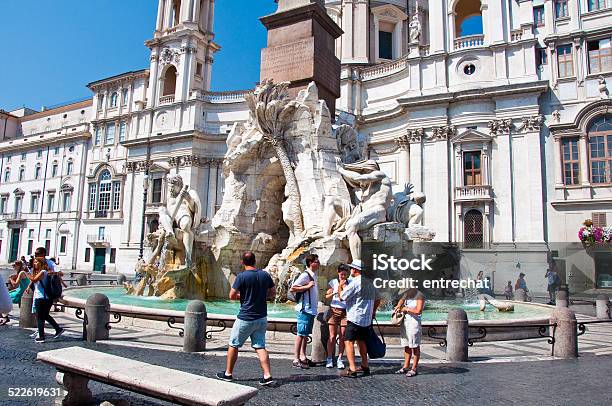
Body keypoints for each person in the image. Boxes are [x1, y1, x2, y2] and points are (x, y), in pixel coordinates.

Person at [217, 251, 276, 386]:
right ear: (255, 261)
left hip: (246, 317)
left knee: (233, 344)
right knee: (260, 346)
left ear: (242, 262)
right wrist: (261, 297)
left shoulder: (241, 277)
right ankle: (267, 375)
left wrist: (242, 297)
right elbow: (273, 293)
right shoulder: (265, 275)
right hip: (261, 317)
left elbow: (231, 296)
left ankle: (228, 373)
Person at [338, 260, 381, 378]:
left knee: (348, 341)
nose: (350, 270)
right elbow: (378, 299)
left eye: (352, 268)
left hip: (355, 318)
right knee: (361, 341)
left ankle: (352, 369)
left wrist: (341, 286)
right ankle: (365, 365)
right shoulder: (370, 283)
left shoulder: (355, 283)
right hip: (366, 319)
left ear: (355, 270)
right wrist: (373, 312)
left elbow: (342, 297)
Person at [289, 254, 319, 369]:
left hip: (310, 310)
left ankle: (303, 356)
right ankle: (296, 359)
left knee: (305, 334)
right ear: (310, 263)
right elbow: (293, 288)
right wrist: (307, 287)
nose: (318, 263)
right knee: (300, 334)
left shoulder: (313, 275)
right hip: (304, 309)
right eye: (316, 261)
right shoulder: (305, 275)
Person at [25, 258, 64, 343]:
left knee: (40, 317)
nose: (34, 264)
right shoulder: (43, 272)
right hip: (46, 297)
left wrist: (27, 273)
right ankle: (58, 329)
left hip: (42, 298)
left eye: (36, 262)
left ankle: (41, 336)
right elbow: (35, 281)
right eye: (34, 262)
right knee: (45, 315)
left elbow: (34, 279)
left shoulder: (43, 272)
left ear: (41, 263)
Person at [394, 288, 425, 377]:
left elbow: (418, 311)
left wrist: (406, 309)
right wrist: (399, 306)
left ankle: (414, 368)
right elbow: (401, 300)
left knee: (415, 346)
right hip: (406, 322)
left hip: (414, 323)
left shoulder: (420, 296)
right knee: (406, 345)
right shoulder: (407, 294)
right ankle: (406, 366)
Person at [324, 264, 350, 369]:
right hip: (334, 310)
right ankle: (329, 358)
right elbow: (326, 296)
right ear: (338, 272)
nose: (343, 276)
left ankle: (340, 358)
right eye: (341, 274)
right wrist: (334, 292)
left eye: (344, 274)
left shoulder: (350, 283)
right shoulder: (333, 282)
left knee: (343, 336)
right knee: (332, 336)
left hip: (345, 312)